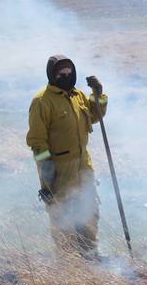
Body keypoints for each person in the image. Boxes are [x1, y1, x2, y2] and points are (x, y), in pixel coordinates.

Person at [26, 55, 107, 259]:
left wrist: (98, 94)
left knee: (89, 216)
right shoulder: (41, 102)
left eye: (70, 73)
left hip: (84, 169)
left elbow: (95, 115)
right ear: (52, 75)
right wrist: (47, 171)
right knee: (64, 221)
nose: (66, 76)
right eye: (61, 74)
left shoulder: (77, 95)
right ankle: (69, 269)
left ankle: (91, 259)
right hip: (60, 172)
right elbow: (38, 142)